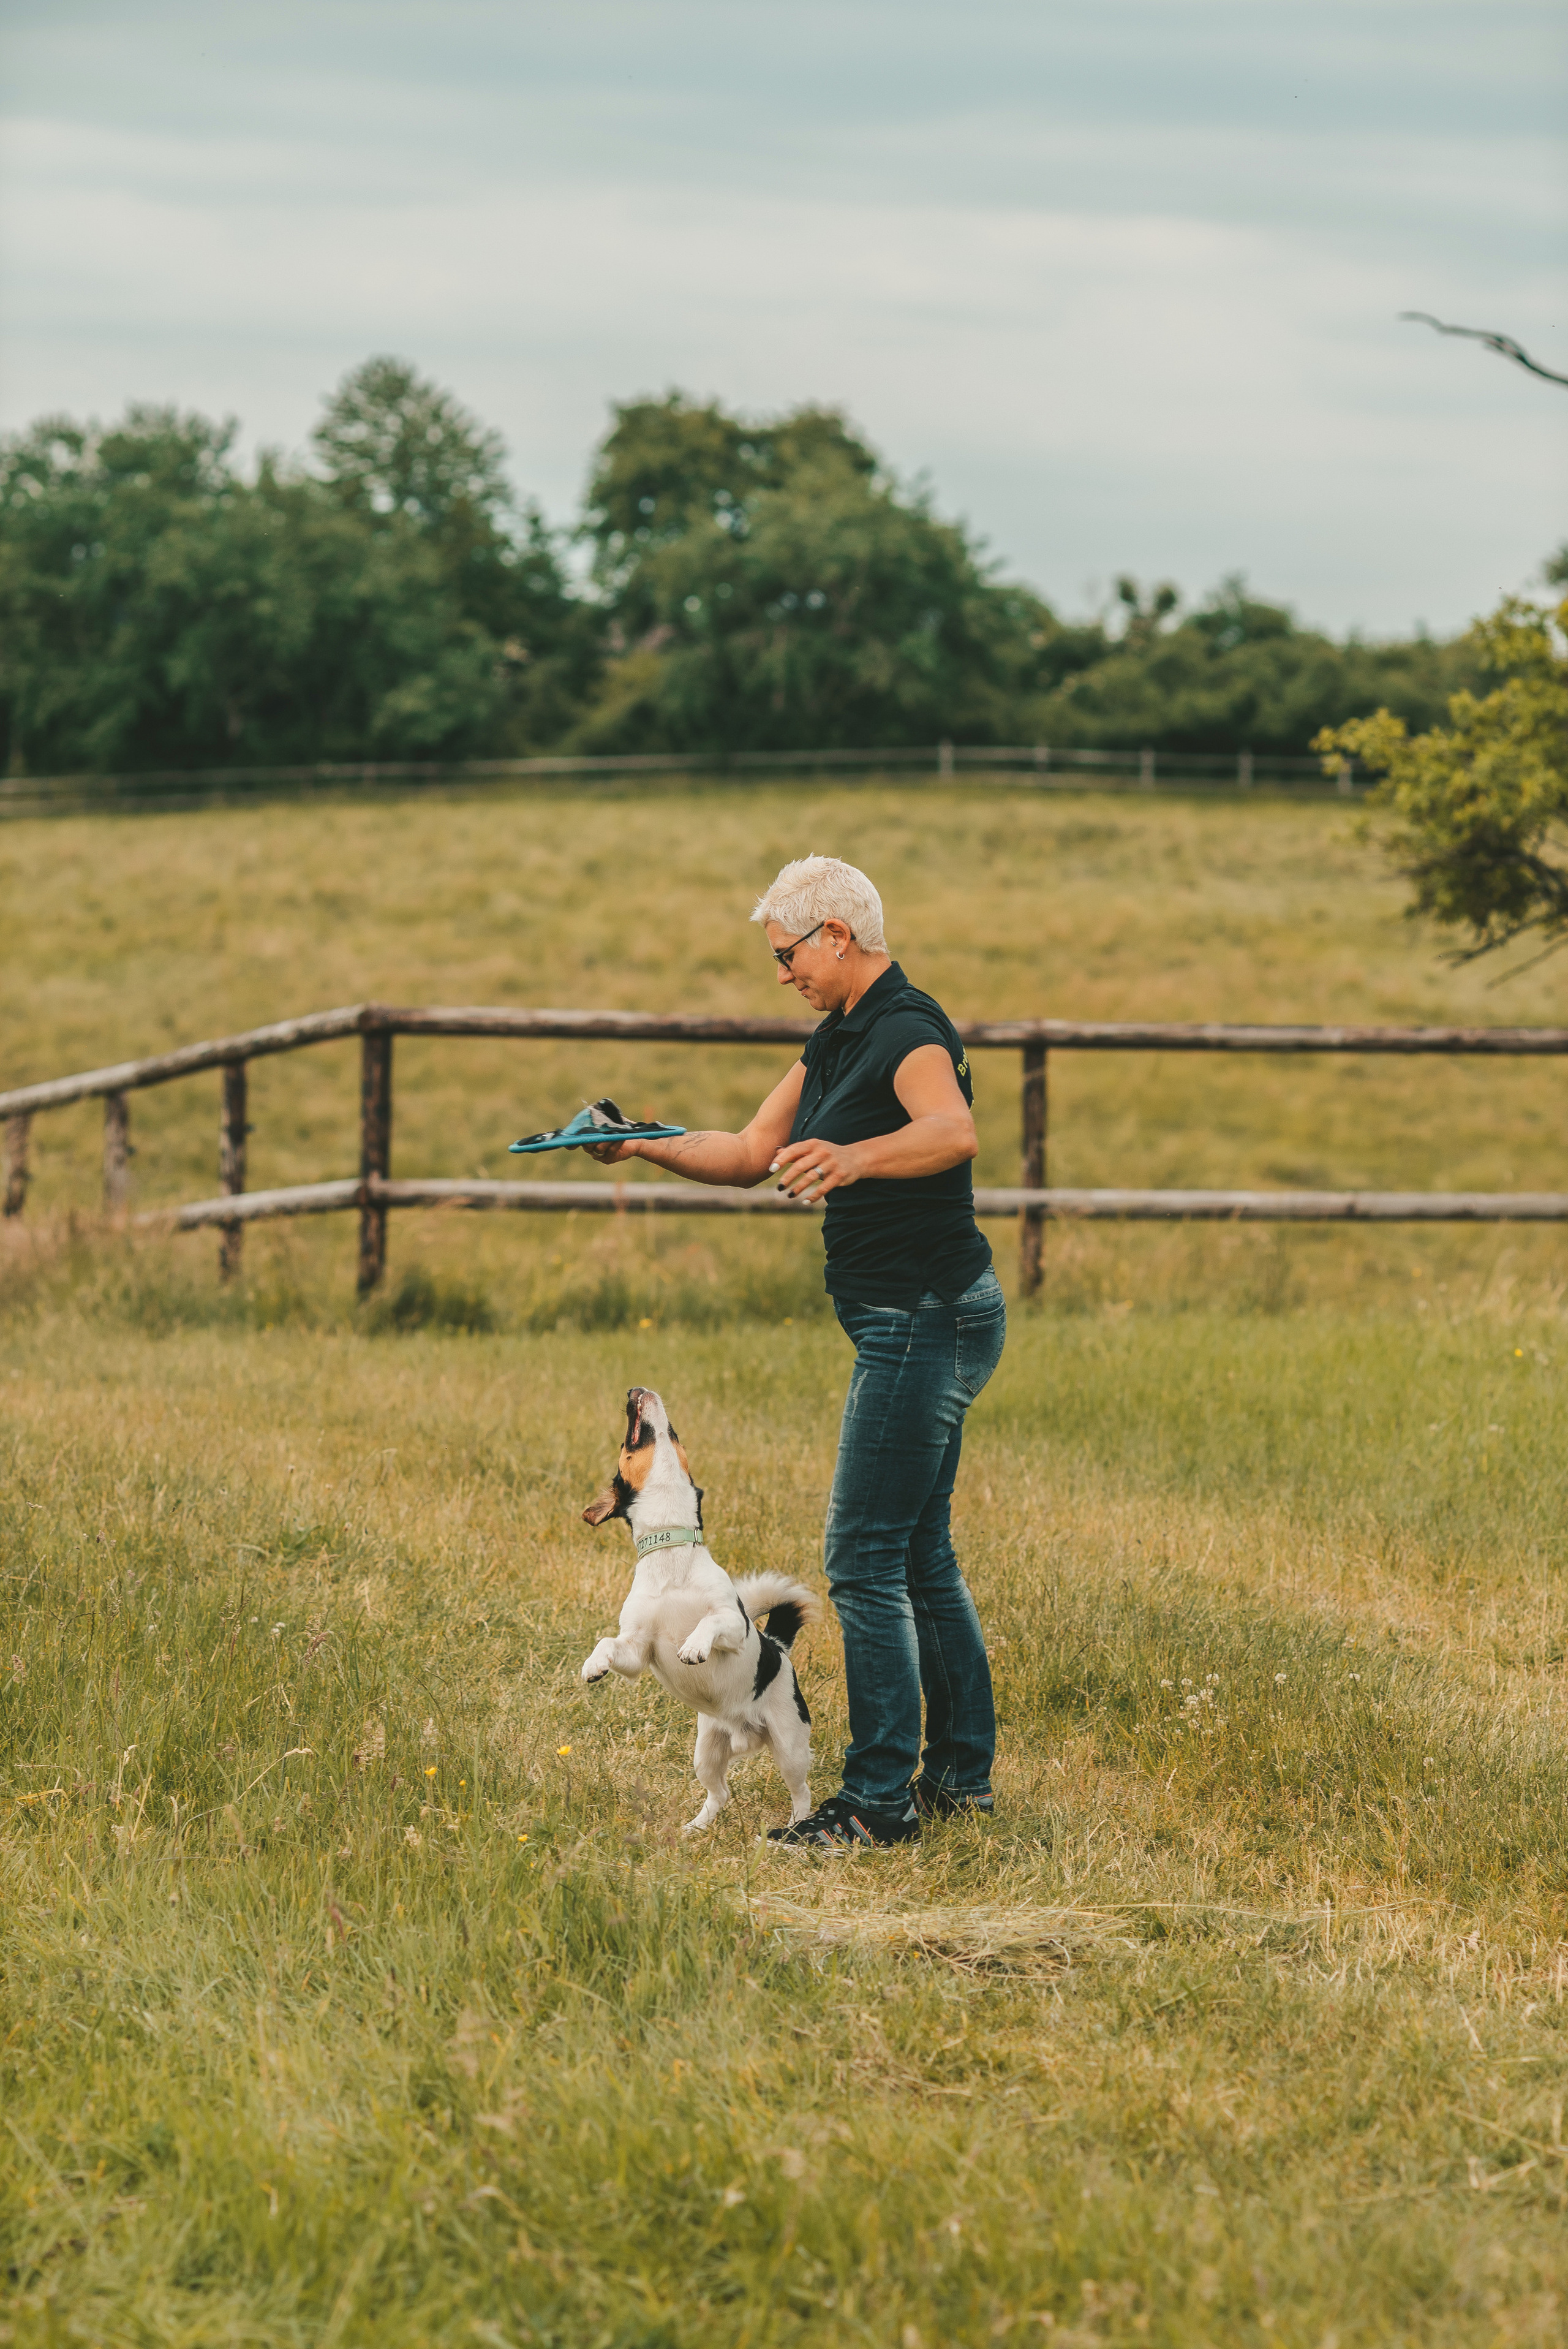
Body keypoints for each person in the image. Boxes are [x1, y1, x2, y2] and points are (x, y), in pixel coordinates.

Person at [587, 853, 1005, 1850]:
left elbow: (953, 1131)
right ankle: (959, 1779)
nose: (782, 973)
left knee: (862, 1558)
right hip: (916, 1314)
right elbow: (746, 1153)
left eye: (788, 955)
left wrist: (855, 1156)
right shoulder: (838, 1039)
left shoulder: (906, 1028)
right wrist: (640, 1142)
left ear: (838, 935)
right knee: (919, 1554)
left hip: (924, 1316)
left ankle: (877, 1803)